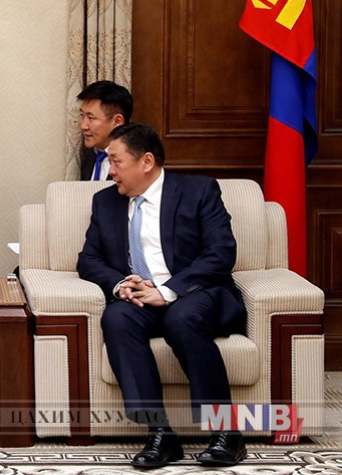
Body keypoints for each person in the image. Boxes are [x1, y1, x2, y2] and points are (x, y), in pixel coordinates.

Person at [77, 123, 247, 468]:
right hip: (140, 296)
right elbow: (88, 259)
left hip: (193, 291)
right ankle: (160, 433)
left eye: (116, 162)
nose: (110, 172)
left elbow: (221, 253)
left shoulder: (198, 191)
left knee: (182, 318)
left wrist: (168, 292)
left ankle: (226, 432)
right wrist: (119, 284)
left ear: (146, 161)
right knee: (117, 317)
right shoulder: (105, 201)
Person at [77, 80, 133, 181]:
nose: (83, 126)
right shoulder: (89, 154)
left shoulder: (133, 160)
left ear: (117, 121)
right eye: (82, 116)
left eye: (91, 118)